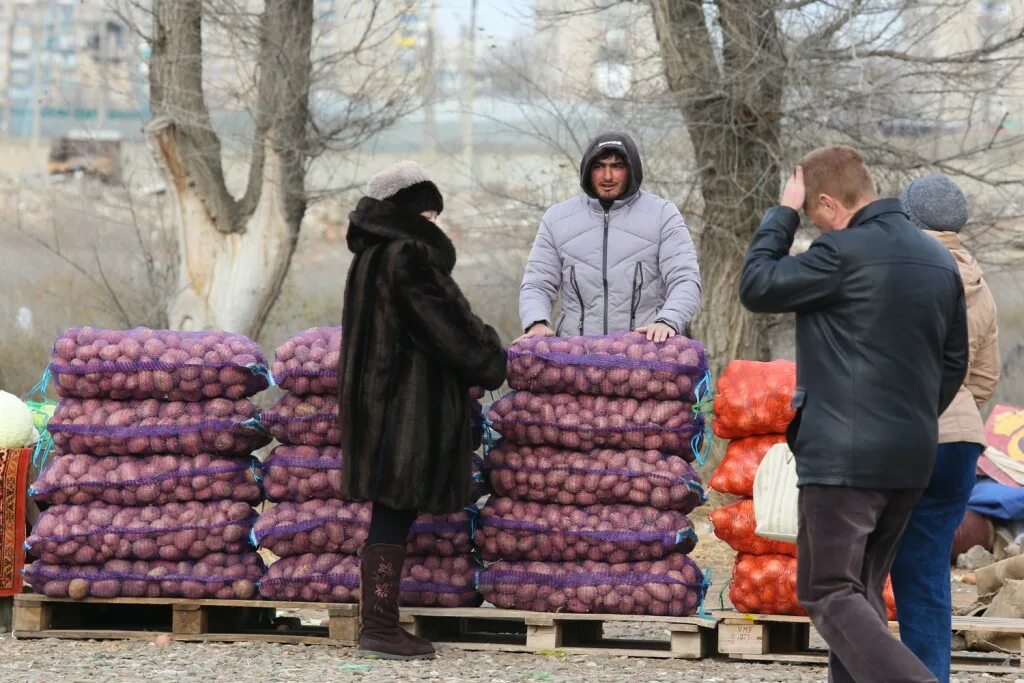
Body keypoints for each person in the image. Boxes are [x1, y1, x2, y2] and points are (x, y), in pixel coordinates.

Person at [739, 146, 969, 683]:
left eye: (811, 211)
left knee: (827, 590)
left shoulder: (839, 253)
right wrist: (913, 416)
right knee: (859, 594)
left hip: (843, 459)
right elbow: (956, 358)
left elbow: (756, 286)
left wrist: (782, 214)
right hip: (911, 456)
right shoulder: (938, 259)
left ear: (824, 202)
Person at [337, 161, 507, 660]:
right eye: (429, 213)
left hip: (376, 406)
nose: (436, 223)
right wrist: (491, 357)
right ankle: (379, 628)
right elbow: (449, 329)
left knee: (389, 512)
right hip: (405, 410)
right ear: (411, 213)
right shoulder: (408, 256)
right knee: (392, 512)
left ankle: (379, 624)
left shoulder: (368, 257)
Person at [891, 174, 1000, 683]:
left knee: (862, 571)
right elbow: (984, 378)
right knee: (928, 571)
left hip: (899, 434)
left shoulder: (902, 271)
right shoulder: (979, 283)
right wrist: (956, 414)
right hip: (959, 442)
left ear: (910, 217)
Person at [518, 131, 701, 343]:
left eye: (617, 166)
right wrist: (536, 322)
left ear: (631, 170)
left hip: (645, 354)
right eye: (599, 166)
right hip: (575, 357)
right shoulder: (556, 219)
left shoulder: (663, 215)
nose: (607, 176)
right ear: (587, 170)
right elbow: (537, 283)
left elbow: (685, 279)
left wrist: (668, 321)